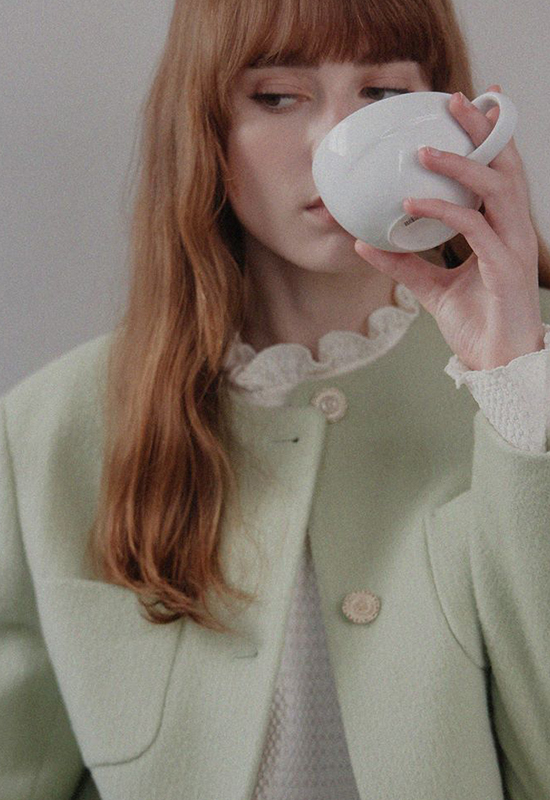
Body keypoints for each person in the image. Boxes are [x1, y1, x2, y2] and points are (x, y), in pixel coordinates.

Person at [1, 0, 550, 798]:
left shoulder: (530, 381)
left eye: (384, 95)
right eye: (278, 97)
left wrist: (516, 382)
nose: (335, 139)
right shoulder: (50, 430)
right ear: (205, 127)